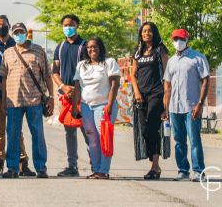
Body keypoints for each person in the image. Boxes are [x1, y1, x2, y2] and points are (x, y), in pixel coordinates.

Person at [0, 22, 52, 179]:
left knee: (37, 135)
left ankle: (41, 168)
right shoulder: (7, 53)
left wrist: (51, 97)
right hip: (13, 102)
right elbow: (4, 78)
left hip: (34, 101)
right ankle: (12, 168)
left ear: (26, 33)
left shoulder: (38, 51)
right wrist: (3, 101)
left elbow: (47, 76)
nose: (18, 35)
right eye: (15, 32)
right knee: (13, 135)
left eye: (21, 32)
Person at [0, 14, 30, 177]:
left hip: (16, 94)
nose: (1, 27)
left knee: (16, 131)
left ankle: (23, 162)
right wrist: (3, 88)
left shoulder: (14, 43)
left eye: (3, 24)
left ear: (9, 26)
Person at [162, 28, 210, 182]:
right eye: (175, 39)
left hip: (191, 106)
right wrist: (166, 108)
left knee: (194, 139)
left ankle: (199, 171)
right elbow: (167, 86)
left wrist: (200, 104)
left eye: (181, 39)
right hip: (174, 108)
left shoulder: (198, 58)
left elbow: (205, 81)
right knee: (178, 140)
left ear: (187, 40)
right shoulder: (171, 61)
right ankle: (183, 170)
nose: (178, 42)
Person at [73, 37, 121, 179]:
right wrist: (75, 107)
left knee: (104, 137)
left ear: (100, 48)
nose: (92, 49)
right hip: (86, 106)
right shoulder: (81, 65)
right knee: (92, 139)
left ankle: (104, 170)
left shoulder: (109, 63)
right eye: (89, 47)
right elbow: (77, 87)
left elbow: (114, 85)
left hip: (104, 106)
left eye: (95, 47)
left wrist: (110, 105)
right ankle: (96, 169)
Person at [130, 21, 170, 180]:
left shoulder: (160, 50)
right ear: (140, 33)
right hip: (141, 95)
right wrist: (137, 92)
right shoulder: (137, 51)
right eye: (144, 31)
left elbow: (167, 74)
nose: (146, 33)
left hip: (156, 93)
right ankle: (153, 161)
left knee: (153, 128)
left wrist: (166, 99)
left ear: (154, 33)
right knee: (144, 129)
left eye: (150, 31)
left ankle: (155, 166)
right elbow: (132, 75)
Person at [51, 13, 88, 178]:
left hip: (83, 96)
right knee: (69, 132)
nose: (67, 28)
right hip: (66, 96)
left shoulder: (85, 46)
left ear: (77, 25)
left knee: (88, 131)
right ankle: (72, 166)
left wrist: (77, 89)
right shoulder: (59, 47)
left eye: (71, 24)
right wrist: (62, 86)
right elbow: (54, 72)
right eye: (65, 25)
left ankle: (97, 165)